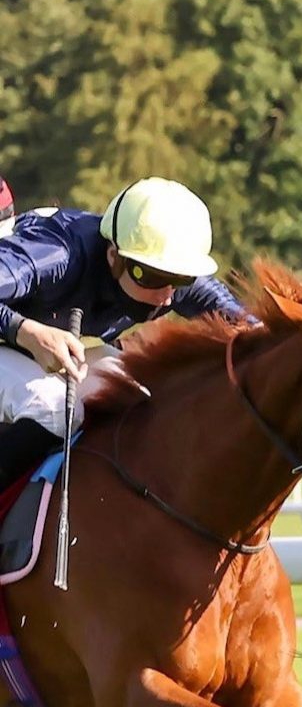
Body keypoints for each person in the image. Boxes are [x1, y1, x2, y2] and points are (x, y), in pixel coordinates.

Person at [0, 178, 245, 486]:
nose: (168, 296)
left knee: (135, 394)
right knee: (52, 407)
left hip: (23, 349)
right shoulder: (57, 254)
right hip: (10, 337)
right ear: (113, 255)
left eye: (181, 279)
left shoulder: (158, 270)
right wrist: (23, 331)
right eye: (152, 277)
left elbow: (249, 324)